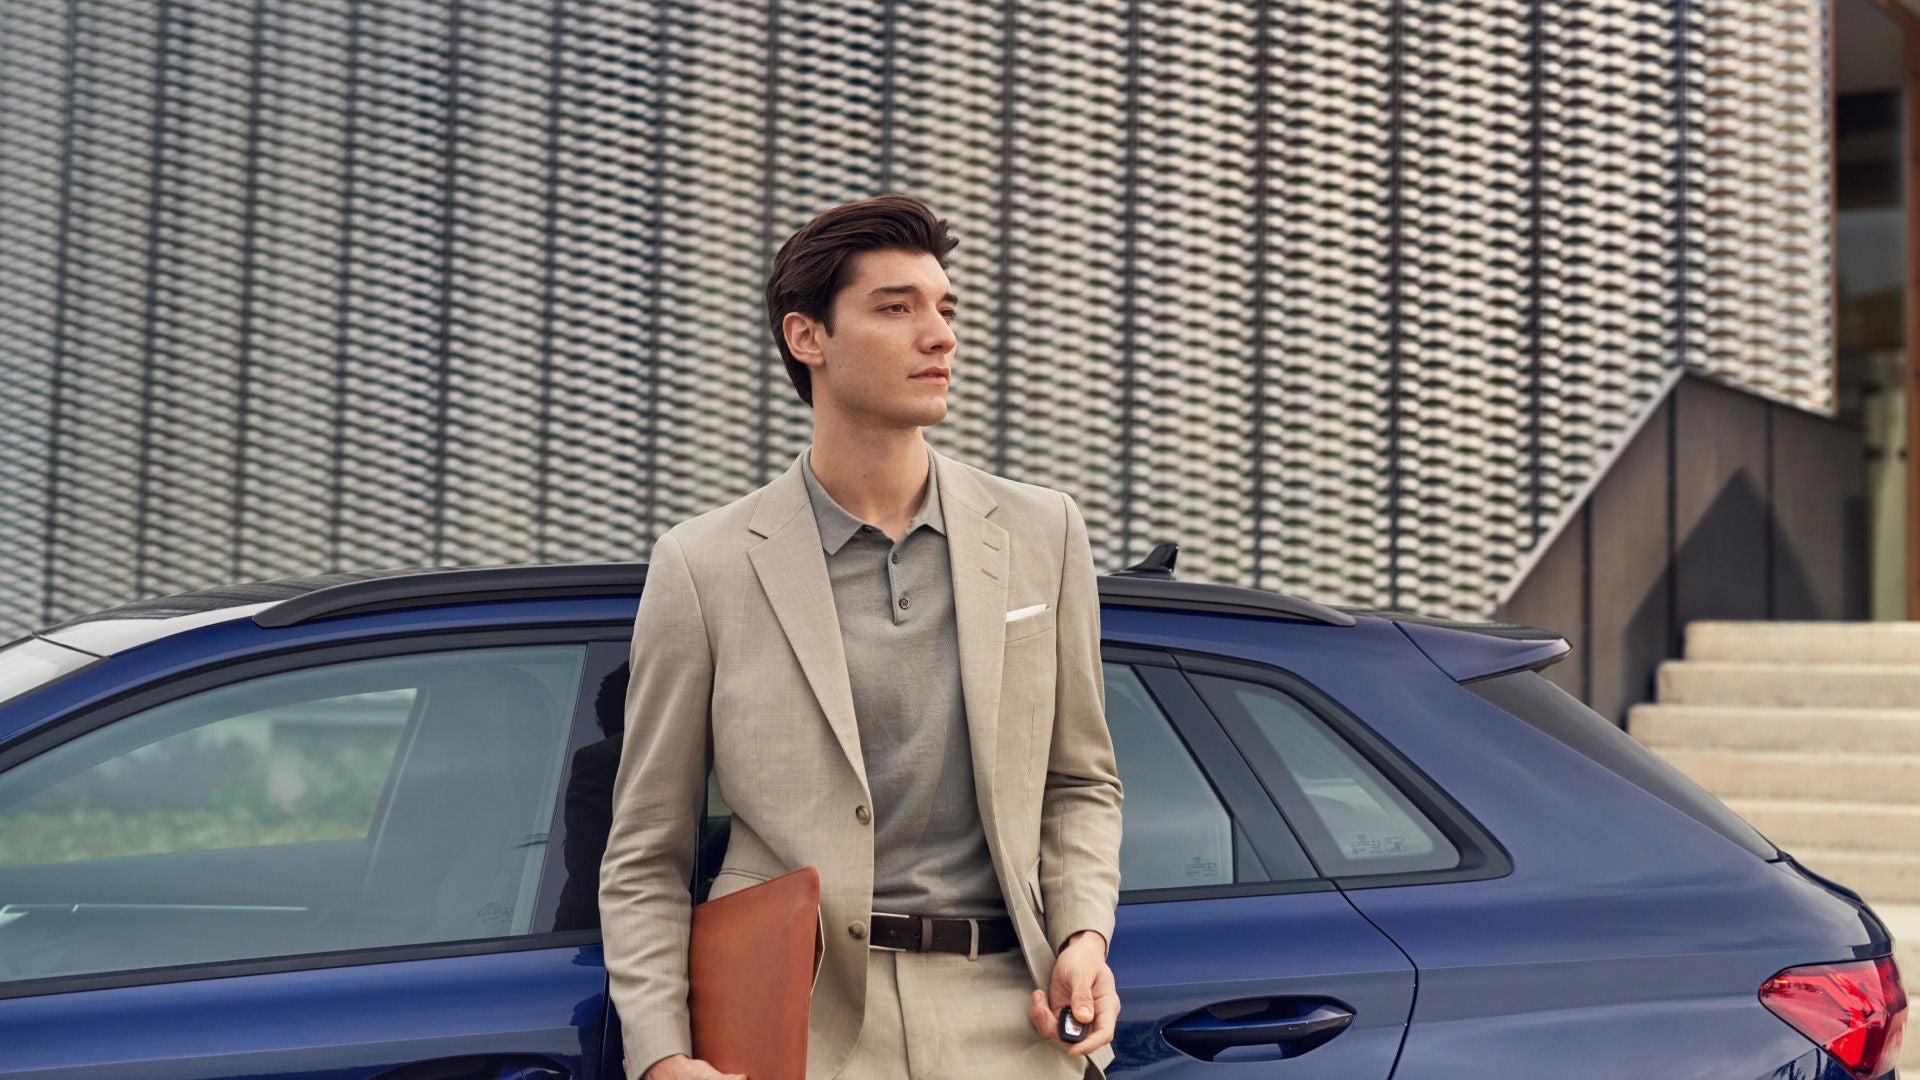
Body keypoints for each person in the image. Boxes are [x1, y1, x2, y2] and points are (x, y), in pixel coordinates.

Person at [599, 194, 1124, 1080]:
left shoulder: (1044, 534)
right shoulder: (705, 566)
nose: (941, 336)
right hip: (801, 1027)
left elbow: (1080, 780)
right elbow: (648, 848)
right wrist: (662, 1055)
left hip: (1015, 1017)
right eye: (897, 308)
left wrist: (1083, 932)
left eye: (946, 309)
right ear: (808, 339)